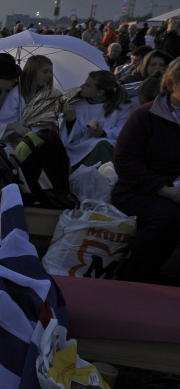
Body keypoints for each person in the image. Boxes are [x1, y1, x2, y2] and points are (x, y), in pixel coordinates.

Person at [111, 60, 180, 285]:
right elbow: (125, 162)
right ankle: (135, 279)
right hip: (138, 191)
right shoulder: (146, 116)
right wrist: (164, 190)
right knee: (169, 218)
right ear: (170, 84)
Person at [61, 70, 131, 167]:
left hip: (109, 147)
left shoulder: (121, 105)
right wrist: (71, 120)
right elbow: (70, 138)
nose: (81, 87)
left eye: (87, 85)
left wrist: (104, 133)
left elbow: (125, 131)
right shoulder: (77, 105)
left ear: (99, 92)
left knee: (103, 145)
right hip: (79, 150)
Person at [18, 55, 62, 130]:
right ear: (32, 71)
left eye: (51, 72)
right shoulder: (16, 94)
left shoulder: (51, 96)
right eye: (45, 72)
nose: (50, 75)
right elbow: (6, 121)